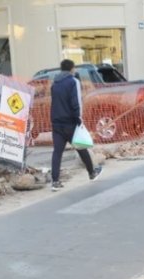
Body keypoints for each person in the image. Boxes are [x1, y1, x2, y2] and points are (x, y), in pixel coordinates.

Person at [50, 59, 102, 191]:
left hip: (56, 123)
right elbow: (76, 102)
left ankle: (55, 181)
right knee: (81, 147)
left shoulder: (54, 84)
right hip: (70, 122)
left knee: (57, 152)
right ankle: (92, 173)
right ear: (71, 69)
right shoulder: (73, 82)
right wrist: (79, 119)